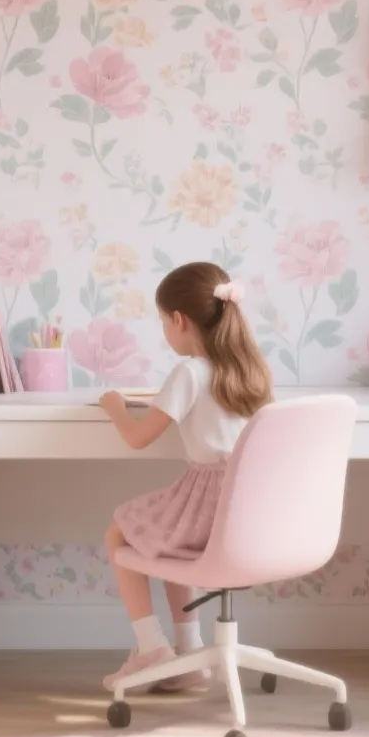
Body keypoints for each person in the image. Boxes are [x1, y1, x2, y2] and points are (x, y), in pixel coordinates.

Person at [94, 260, 273, 692]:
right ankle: (189, 654)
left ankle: (153, 646)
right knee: (174, 539)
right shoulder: (251, 370)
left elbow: (139, 438)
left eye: (161, 321)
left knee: (120, 532)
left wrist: (115, 407)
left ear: (179, 320)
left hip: (209, 502)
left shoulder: (189, 372)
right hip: (250, 511)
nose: (164, 330)